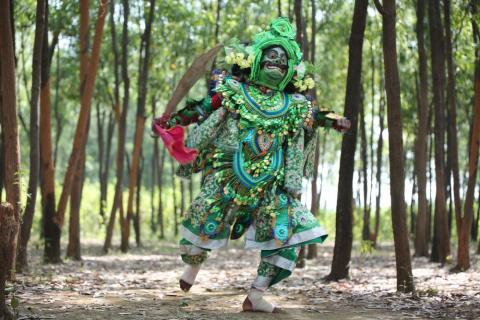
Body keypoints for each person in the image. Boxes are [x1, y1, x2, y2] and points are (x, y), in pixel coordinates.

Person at [152, 17, 350, 313]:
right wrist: (173, 120)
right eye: (270, 57)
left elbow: (318, 115)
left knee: (289, 235)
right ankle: (191, 270)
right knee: (204, 217)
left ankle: (255, 294)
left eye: (282, 61)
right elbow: (202, 109)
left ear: (289, 70)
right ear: (256, 61)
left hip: (272, 184)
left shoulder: (294, 105)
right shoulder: (233, 91)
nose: (276, 62)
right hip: (228, 174)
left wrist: (336, 122)